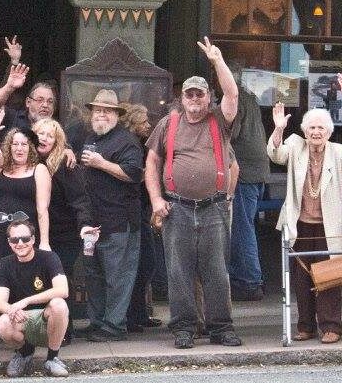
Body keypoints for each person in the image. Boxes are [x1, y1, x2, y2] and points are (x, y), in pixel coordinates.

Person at [145, 38, 242, 350]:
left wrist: (217, 61)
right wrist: (157, 200)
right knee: (179, 272)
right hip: (177, 208)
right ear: (182, 98)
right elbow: (153, 161)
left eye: (200, 93)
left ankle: (221, 328)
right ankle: (185, 328)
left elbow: (233, 93)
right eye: (190, 93)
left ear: (208, 97)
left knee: (216, 271)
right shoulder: (168, 123)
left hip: (214, 207)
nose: (195, 98)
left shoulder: (219, 119)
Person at [270, 101, 342, 344]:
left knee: (329, 277)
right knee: (302, 277)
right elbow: (276, 154)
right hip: (299, 223)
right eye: (311, 128)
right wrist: (279, 129)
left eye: (321, 128)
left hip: (330, 225)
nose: (316, 132)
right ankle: (306, 326)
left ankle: (331, 326)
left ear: (329, 132)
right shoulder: (295, 145)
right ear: (304, 131)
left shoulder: (338, 152)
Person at [79, 89, 144, 342]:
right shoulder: (88, 137)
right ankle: (98, 322)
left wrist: (101, 163)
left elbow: (133, 174)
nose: (101, 115)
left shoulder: (127, 141)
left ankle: (115, 326)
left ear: (117, 114)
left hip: (119, 222)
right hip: (92, 223)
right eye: (97, 110)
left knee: (118, 277)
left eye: (106, 111)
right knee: (94, 276)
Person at [33, 116, 95, 342]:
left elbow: (80, 201)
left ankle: (63, 333)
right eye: (40, 133)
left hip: (64, 234)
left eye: (50, 135)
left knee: (59, 280)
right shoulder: (24, 162)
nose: (44, 138)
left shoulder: (65, 166)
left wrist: (85, 225)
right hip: (34, 234)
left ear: (57, 141)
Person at [0, 116, 52, 301]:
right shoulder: (0, 167)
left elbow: (42, 209)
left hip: (25, 235)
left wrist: (44, 242)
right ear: (9, 146)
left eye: (24, 144)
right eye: (15, 144)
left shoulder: (39, 169)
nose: (19, 148)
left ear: (30, 147)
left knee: (24, 284)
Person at [0, 216, 70, 378]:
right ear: (9, 242)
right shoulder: (5, 263)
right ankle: (24, 353)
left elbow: (63, 290)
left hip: (48, 318)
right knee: (2, 323)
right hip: (22, 320)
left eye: (25, 238)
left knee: (59, 304)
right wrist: (12, 309)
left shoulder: (49, 257)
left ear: (33, 239)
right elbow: (0, 302)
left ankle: (52, 358)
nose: (20, 243)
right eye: (15, 239)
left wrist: (25, 301)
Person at [120, 103, 162, 333]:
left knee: (145, 265)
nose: (148, 125)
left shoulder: (140, 145)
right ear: (132, 123)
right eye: (144, 121)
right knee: (142, 264)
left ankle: (139, 313)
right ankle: (133, 315)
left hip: (144, 209)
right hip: (135, 210)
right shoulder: (131, 146)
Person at [228, 78, 270, 301]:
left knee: (242, 228)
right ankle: (249, 279)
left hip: (244, 172)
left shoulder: (238, 101)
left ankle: (248, 282)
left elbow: (231, 133)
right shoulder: (251, 99)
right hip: (256, 171)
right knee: (246, 225)